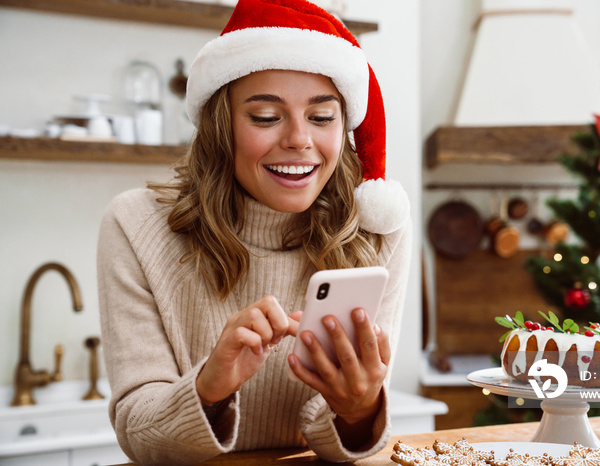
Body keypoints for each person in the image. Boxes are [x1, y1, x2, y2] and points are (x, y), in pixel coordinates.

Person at [96, 0, 411, 464]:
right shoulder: (135, 225)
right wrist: (210, 390)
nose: (300, 140)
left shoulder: (377, 232)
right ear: (222, 127)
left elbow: (340, 444)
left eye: (322, 117)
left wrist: (361, 411)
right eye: (266, 116)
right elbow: (138, 435)